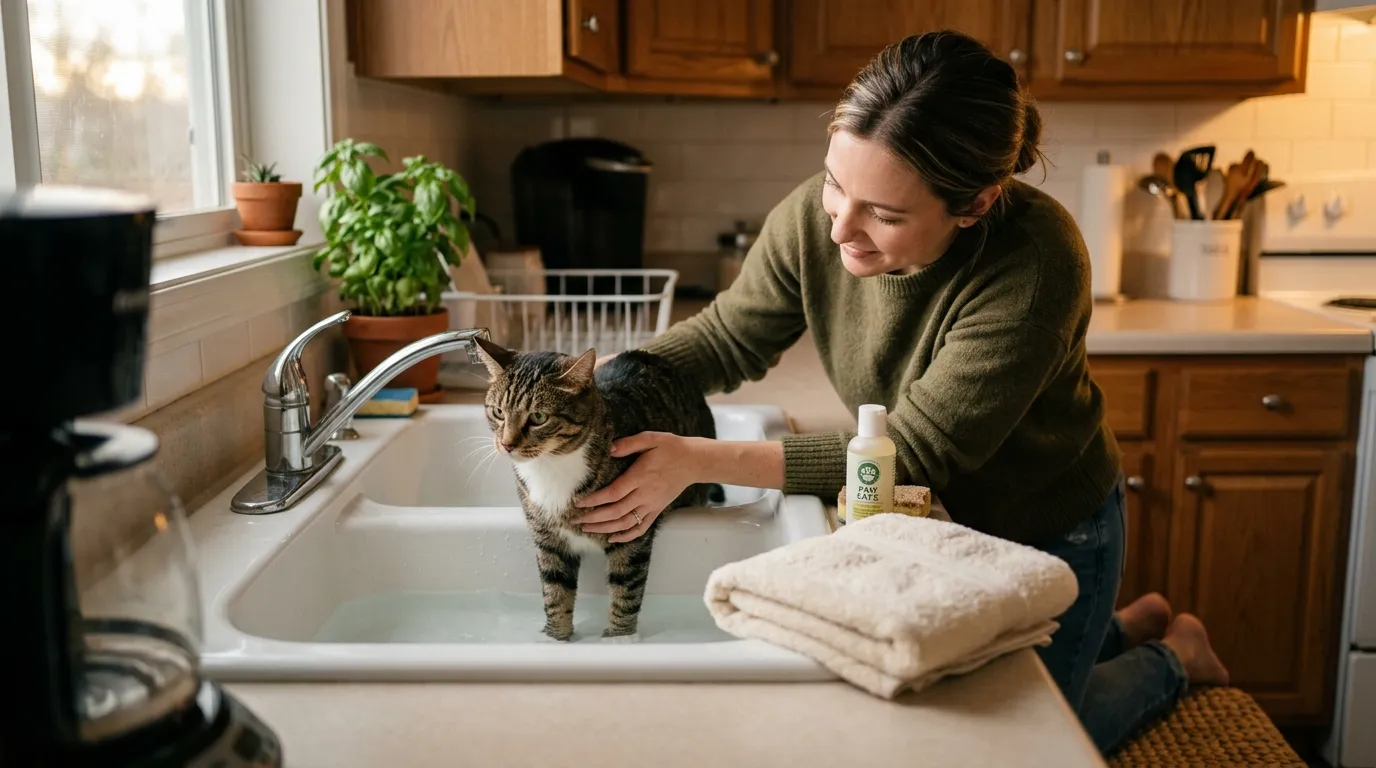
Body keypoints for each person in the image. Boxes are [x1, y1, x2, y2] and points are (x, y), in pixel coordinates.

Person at [571, 30, 1229, 755]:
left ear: (973, 205)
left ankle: (1175, 657)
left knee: (1022, 743)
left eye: (884, 215)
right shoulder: (819, 218)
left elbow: (912, 452)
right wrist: (591, 395)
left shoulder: (1037, 262)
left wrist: (697, 458)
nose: (841, 228)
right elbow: (728, 337)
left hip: (1048, 529)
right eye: (834, 183)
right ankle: (1122, 625)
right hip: (933, 525)